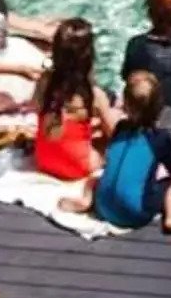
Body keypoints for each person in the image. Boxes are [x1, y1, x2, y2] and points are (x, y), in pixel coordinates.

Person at [74, 68, 171, 233]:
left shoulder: (120, 128)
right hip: (135, 214)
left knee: (98, 177)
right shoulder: (160, 138)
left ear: (126, 104)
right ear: (159, 105)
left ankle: (87, 200)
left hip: (101, 206)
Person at [31, 15, 116, 186]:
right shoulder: (93, 94)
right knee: (110, 138)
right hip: (78, 168)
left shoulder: (44, 82)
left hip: (43, 160)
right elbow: (115, 133)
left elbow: (37, 106)